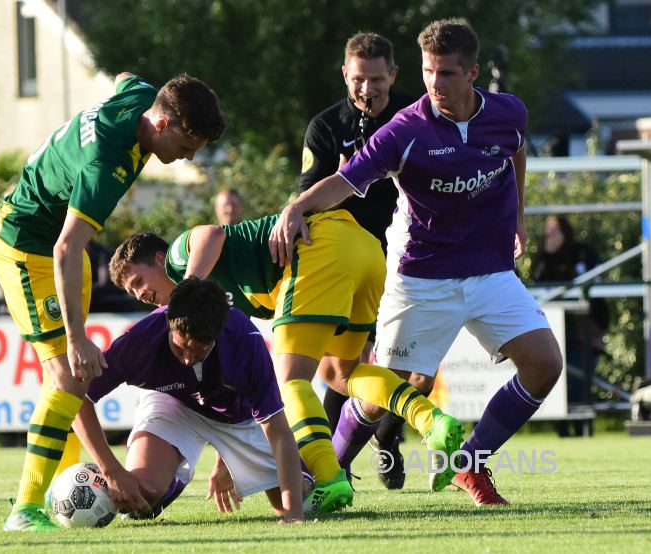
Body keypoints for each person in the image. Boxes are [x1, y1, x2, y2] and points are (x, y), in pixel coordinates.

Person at [269, 18, 563, 506]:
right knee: (376, 394)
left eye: (446, 73)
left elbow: (517, 152)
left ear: (472, 72)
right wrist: (296, 206)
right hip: (421, 279)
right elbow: (346, 181)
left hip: (490, 271)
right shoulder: (405, 129)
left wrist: (519, 218)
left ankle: (470, 464)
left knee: (544, 365)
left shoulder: (509, 113)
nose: (434, 83)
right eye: (429, 71)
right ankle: (327, 475)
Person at [0, 72, 226, 531]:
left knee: (66, 383)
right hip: (27, 245)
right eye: (188, 141)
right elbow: (66, 248)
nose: (190, 155)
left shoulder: (140, 98)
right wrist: (76, 338)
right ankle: (26, 509)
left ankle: (47, 495)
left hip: (57, 251)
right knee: (67, 373)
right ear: (161, 123)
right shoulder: (106, 162)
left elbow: (124, 78)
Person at [109, 220, 463, 514]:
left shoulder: (176, 262)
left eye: (138, 281)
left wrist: (189, 283)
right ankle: (430, 419)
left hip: (319, 250)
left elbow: (210, 233)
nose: (139, 294)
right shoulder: (207, 312)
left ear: (158, 259)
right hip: (366, 251)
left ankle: (329, 477)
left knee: (290, 379)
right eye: (130, 290)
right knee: (340, 375)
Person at [72, 277, 304, 523]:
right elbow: (78, 399)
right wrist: (112, 470)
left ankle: (315, 473)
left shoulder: (245, 340)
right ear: (169, 324)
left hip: (237, 419)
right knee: (141, 496)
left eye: (200, 350)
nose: (187, 359)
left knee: (300, 502)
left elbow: (278, 431)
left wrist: (294, 514)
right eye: (181, 348)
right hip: (173, 404)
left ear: (218, 333)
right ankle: (172, 482)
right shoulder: (140, 340)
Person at [298, 31, 413, 490]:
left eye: (376, 80)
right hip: (345, 261)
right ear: (345, 74)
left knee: (409, 364)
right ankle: (334, 465)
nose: (367, 90)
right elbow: (306, 200)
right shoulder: (324, 128)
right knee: (342, 366)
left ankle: (386, 433)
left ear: (394, 76)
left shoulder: (414, 115)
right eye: (358, 80)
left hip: (407, 256)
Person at [531, 215, 609, 436]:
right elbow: (537, 283)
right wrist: (548, 253)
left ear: (566, 231)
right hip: (556, 330)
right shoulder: (545, 257)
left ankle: (584, 430)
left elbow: (598, 278)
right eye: (547, 230)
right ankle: (563, 430)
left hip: (587, 329)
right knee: (559, 381)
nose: (550, 235)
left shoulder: (584, 252)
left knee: (580, 381)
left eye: (554, 230)